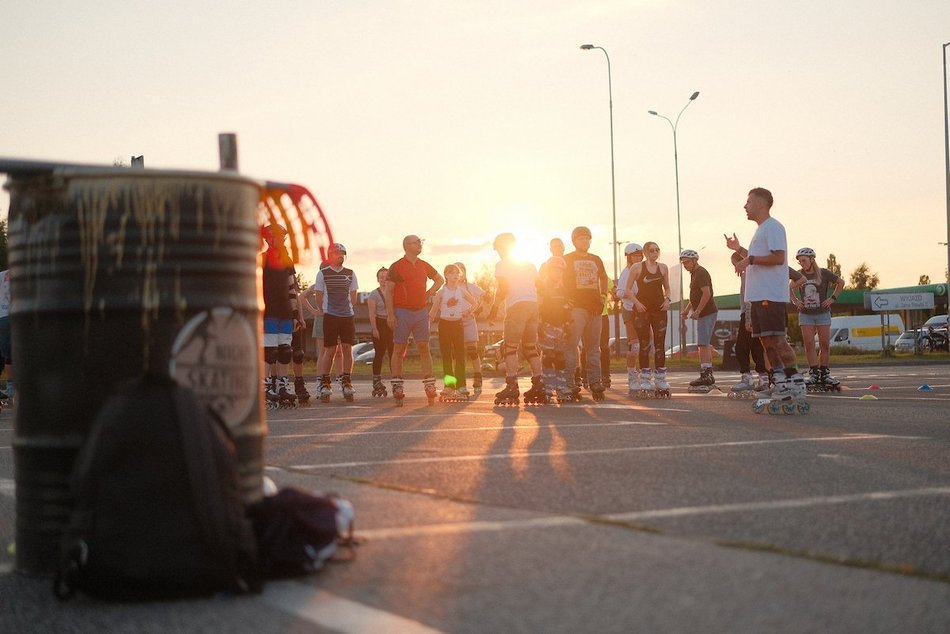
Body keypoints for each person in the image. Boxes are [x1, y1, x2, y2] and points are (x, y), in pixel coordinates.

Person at [726, 187, 807, 400]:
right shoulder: (761, 230)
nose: (745, 206)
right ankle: (779, 382)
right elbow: (756, 257)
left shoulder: (773, 227)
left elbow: (778, 258)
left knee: (778, 340)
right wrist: (740, 250)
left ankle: (796, 383)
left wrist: (750, 259)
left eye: (749, 202)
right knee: (766, 342)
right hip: (758, 297)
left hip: (770, 296)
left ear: (761, 204)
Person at [488, 233, 546, 405]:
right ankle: (539, 383)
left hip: (516, 306)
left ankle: (512, 385)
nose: (498, 253)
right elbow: (540, 287)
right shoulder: (529, 264)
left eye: (498, 249)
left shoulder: (502, 265)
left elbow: (503, 288)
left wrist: (494, 309)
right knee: (530, 348)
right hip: (533, 306)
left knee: (510, 348)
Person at [385, 235, 444, 403]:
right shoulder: (396, 266)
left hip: (420, 312)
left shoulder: (424, 265)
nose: (419, 244)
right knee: (399, 348)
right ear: (406, 246)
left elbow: (439, 280)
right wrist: (390, 314)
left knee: (424, 347)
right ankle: (397, 385)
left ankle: (429, 385)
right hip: (401, 311)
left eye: (420, 242)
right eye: (416, 242)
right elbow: (389, 292)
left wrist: (428, 293)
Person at [261, 225, 307, 407]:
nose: (278, 240)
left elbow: (292, 290)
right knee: (269, 351)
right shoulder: (262, 259)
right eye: (275, 237)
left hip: (285, 312)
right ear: (267, 239)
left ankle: (282, 386)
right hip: (268, 312)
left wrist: (296, 315)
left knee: (285, 351)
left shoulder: (287, 260)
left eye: (281, 237)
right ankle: (264, 387)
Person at [307, 243, 359, 401]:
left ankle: (346, 381)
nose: (340, 255)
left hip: (347, 316)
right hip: (330, 316)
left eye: (343, 253)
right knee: (330, 350)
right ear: (330, 256)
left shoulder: (350, 273)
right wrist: (325, 309)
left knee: (347, 348)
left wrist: (345, 308)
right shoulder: (323, 274)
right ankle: (325, 383)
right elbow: (319, 296)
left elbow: (354, 297)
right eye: (337, 253)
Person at [563, 226, 610, 400]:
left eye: (587, 238)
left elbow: (604, 277)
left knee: (593, 348)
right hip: (576, 308)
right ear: (574, 241)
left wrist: (603, 296)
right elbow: (560, 279)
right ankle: (569, 382)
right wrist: (565, 300)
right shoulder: (567, 259)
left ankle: (595, 381)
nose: (585, 241)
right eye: (581, 238)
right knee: (571, 345)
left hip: (595, 308)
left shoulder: (596, 259)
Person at [791, 247, 845, 389]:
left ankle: (824, 372)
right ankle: (814, 372)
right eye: (800, 261)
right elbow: (789, 287)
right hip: (806, 314)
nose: (801, 263)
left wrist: (832, 299)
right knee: (809, 343)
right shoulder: (799, 274)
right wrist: (795, 301)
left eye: (804, 260)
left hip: (822, 313)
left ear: (812, 259)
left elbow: (841, 283)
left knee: (824, 344)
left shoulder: (824, 273)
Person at [624, 241, 672, 394]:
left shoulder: (663, 268)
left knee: (659, 344)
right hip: (642, 310)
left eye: (657, 250)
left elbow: (667, 287)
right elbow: (627, 289)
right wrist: (637, 303)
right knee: (644, 344)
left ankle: (660, 378)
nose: (655, 253)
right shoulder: (637, 267)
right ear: (645, 253)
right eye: (652, 250)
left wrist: (667, 300)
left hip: (659, 310)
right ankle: (645, 377)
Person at [429, 264, 477, 399]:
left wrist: (468, 311)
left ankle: (461, 386)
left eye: (457, 273)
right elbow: (433, 311)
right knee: (447, 356)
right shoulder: (441, 292)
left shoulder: (461, 291)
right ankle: (449, 386)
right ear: (446, 275)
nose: (455, 275)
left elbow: (475, 303)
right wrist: (427, 325)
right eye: (452, 273)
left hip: (458, 324)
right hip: (444, 325)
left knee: (460, 355)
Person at [680, 249, 719, 391]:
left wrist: (698, 311)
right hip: (704, 313)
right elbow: (695, 296)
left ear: (695, 261)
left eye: (687, 262)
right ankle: (707, 374)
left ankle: (706, 374)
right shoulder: (694, 274)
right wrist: (687, 310)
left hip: (707, 312)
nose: (685, 265)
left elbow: (706, 294)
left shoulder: (701, 272)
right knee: (703, 343)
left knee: (703, 344)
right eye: (683, 263)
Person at [537, 256, 572, 401]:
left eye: (560, 271)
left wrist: (568, 324)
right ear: (549, 271)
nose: (558, 273)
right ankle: (548, 387)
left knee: (560, 357)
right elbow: (539, 306)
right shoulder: (543, 287)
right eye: (555, 270)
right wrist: (539, 324)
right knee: (548, 356)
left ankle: (561, 387)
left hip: (560, 327)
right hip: (547, 326)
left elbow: (567, 308)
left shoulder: (563, 289)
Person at [616, 243, 644, 397]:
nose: (637, 258)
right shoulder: (626, 272)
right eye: (634, 256)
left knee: (647, 344)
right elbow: (619, 292)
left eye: (640, 255)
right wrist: (632, 295)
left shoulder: (643, 270)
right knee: (635, 346)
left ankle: (644, 374)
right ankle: (632, 377)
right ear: (628, 257)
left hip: (644, 311)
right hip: (630, 310)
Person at [455, 262, 486, 394]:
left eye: (461, 270)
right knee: (457, 353)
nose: (459, 274)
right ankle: (456, 380)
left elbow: (484, 297)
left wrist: (476, 310)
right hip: (454, 322)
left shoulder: (471, 287)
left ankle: (478, 378)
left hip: (468, 320)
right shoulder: (449, 288)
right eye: (456, 271)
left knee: (472, 351)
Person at [366, 267, 393, 397]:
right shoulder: (373, 294)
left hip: (392, 323)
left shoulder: (393, 292)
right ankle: (376, 381)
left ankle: (396, 379)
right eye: (381, 277)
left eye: (386, 277)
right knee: (379, 353)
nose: (383, 279)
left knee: (394, 353)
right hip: (380, 323)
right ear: (378, 279)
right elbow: (371, 313)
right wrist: (374, 328)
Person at [0, 269, 12, 404]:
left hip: (2, 316)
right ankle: (11, 388)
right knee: (11, 354)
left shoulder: (2, 275)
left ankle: (11, 388)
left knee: (7, 353)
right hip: (18, 315)